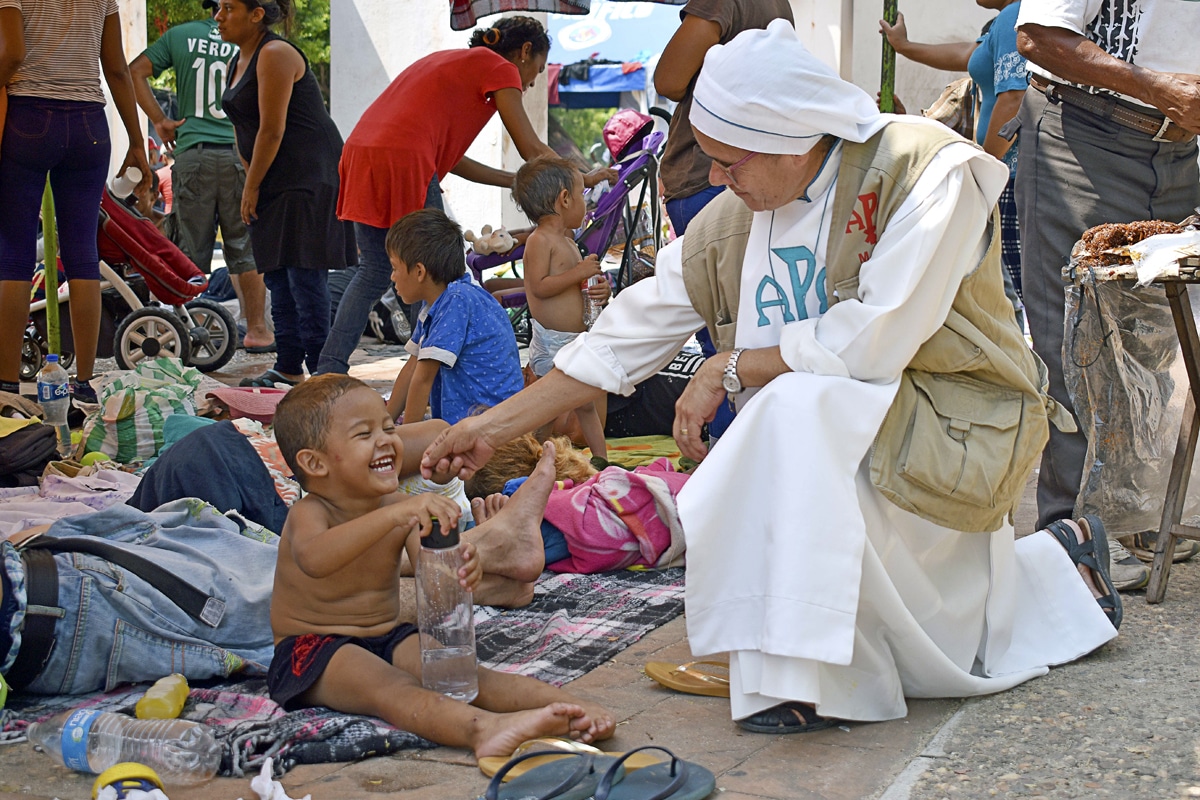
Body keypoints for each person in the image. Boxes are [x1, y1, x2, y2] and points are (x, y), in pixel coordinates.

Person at [422, 21, 1120, 733]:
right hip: (831, 468)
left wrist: (730, 367)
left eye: (729, 163)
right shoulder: (733, 220)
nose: (716, 181)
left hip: (945, 435)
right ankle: (1039, 573)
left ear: (791, 136)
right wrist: (487, 426)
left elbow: (872, 341)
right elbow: (618, 342)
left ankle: (801, 673)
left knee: (797, 406)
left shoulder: (927, 172)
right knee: (811, 443)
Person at [268, 374, 615, 757]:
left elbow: (432, 577)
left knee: (464, 674)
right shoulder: (311, 513)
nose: (386, 440)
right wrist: (396, 518)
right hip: (314, 648)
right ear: (314, 463)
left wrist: (463, 568)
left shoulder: (397, 506)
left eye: (388, 426)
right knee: (393, 690)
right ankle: (483, 731)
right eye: (364, 434)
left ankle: (569, 708)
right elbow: (316, 558)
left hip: (387, 635)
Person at [1014, 0, 1200, 582]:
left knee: (1150, 345)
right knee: (1075, 343)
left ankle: (1132, 518)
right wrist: (1157, 88)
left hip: (1176, 150)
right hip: (1084, 134)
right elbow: (1038, 36)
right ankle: (1075, 536)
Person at [317, 16, 614, 376]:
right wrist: (582, 177)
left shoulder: (454, 62)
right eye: (536, 69)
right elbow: (530, 146)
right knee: (437, 273)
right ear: (523, 52)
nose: (534, 81)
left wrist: (516, 183)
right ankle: (430, 370)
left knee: (375, 270)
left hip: (362, 151)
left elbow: (453, 160)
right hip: (405, 158)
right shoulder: (499, 67)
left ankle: (328, 371)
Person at [0, 0, 150, 402]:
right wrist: (137, 143)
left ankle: (8, 384)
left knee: (13, 255)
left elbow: (12, 53)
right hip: (89, 123)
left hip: (27, 116)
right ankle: (84, 382)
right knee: (82, 252)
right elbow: (116, 68)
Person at [217, 0, 355, 387]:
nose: (218, 15)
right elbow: (242, 124)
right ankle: (290, 365)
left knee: (304, 276)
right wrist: (252, 177)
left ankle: (325, 374)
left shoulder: (275, 53)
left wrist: (251, 185)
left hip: (306, 174)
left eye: (229, 7)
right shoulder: (237, 61)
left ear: (257, 13)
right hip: (273, 176)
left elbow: (272, 129)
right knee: (277, 274)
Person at [129, 0, 274, 353]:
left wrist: (160, 121)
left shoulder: (181, 35)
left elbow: (134, 71)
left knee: (189, 251)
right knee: (246, 247)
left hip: (194, 153)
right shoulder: (249, 40)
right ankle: (258, 331)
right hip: (240, 155)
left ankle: (186, 331)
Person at [880, 0, 1027, 330]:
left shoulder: (1014, 15)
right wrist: (904, 47)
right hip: (1007, 173)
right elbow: (967, 55)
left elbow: (1013, 100)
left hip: (1008, 176)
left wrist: (985, 167)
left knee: (1015, 289)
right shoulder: (1003, 24)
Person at [654, 0, 793, 237]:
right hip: (753, 167)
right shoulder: (779, 4)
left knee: (710, 270)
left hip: (707, 173)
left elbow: (668, 82)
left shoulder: (719, 3)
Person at [384, 209, 523, 427]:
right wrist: (385, 426)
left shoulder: (456, 300)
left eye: (394, 268)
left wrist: (405, 440)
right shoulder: (438, 302)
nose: (392, 277)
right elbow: (411, 369)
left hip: (489, 430)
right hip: (472, 425)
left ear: (419, 272)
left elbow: (422, 380)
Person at [512, 156, 610, 460]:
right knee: (545, 408)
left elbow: (573, 289)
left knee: (584, 402)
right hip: (552, 343)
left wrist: (598, 291)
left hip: (573, 340)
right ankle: (528, 456)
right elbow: (539, 286)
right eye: (581, 195)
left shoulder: (567, 241)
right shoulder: (539, 241)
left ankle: (602, 459)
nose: (585, 203)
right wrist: (577, 273)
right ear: (564, 199)